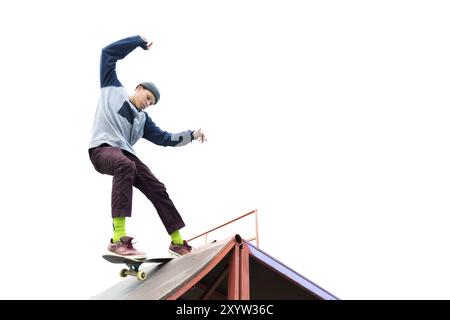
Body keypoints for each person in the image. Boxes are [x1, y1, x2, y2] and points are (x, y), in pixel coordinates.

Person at [88, 35, 207, 259]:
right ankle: (118, 239)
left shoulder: (143, 121)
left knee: (157, 188)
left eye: (151, 103)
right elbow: (108, 54)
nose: (147, 103)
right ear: (139, 88)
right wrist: (137, 42)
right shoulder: (112, 87)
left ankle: (177, 242)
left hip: (126, 155)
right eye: (148, 97)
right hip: (102, 149)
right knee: (124, 165)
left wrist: (191, 135)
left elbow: (165, 138)